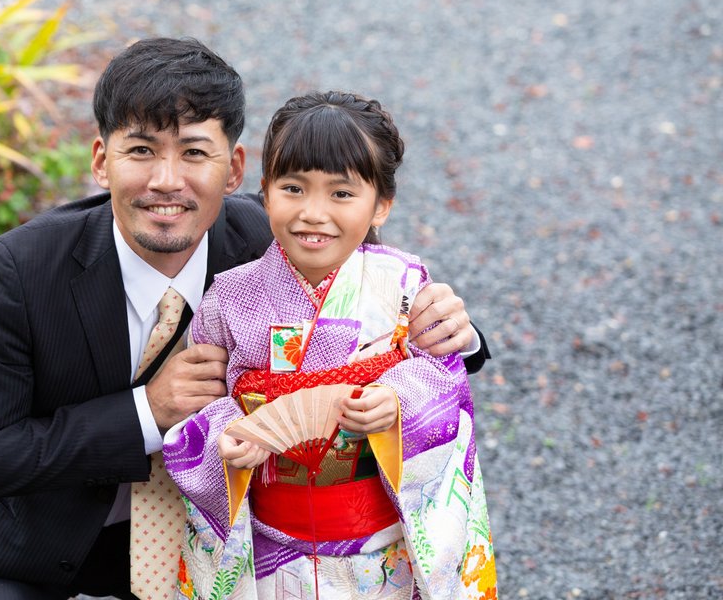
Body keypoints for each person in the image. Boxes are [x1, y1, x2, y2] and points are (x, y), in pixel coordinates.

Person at [0, 39, 488, 600]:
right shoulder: (19, 270)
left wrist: (455, 332)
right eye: (140, 150)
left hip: (211, 535)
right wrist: (149, 411)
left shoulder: (281, 235)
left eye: (193, 152)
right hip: (28, 534)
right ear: (100, 160)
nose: (166, 180)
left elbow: (381, 300)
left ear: (235, 169)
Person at [164, 91, 496, 599]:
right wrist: (225, 442)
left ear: (381, 204)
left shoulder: (404, 282)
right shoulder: (229, 297)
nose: (313, 213)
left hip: (383, 546)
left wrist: (399, 403)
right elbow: (204, 408)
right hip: (272, 546)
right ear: (265, 189)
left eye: (341, 194)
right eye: (293, 188)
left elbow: (442, 374)